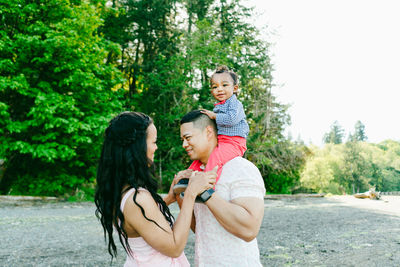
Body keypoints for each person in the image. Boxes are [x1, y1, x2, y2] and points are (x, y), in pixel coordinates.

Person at [94, 111, 217, 267]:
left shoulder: (122, 191)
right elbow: (174, 247)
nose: (156, 147)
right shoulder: (137, 199)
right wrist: (191, 194)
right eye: (153, 142)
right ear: (138, 147)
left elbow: (144, 222)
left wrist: (171, 197)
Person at [177, 110, 266, 266]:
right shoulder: (197, 173)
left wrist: (205, 193)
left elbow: (249, 229)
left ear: (209, 132)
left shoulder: (241, 168)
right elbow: (200, 229)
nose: (184, 145)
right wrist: (180, 193)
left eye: (188, 138)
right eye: (182, 139)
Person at [189, 65, 249, 185]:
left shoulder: (235, 104)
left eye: (224, 85)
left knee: (215, 158)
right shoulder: (219, 106)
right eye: (215, 87)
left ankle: (207, 187)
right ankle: (188, 177)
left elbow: (231, 119)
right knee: (201, 156)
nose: (219, 89)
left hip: (234, 142)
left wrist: (215, 116)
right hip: (221, 141)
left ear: (235, 88)